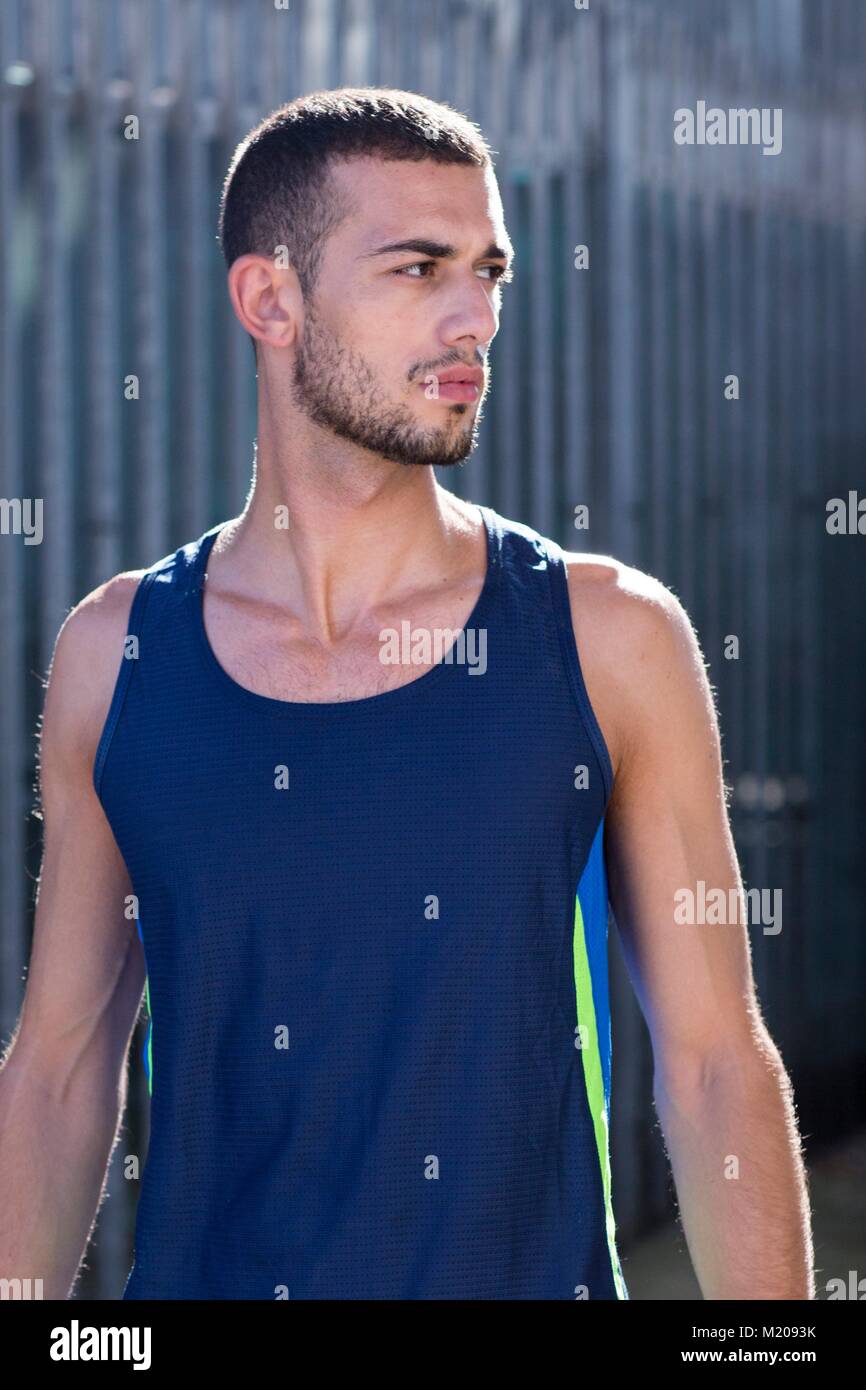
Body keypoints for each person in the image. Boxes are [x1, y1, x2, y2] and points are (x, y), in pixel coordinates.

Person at [0, 87, 813, 1300]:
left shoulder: (604, 637)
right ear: (270, 299)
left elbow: (709, 1064)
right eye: (417, 267)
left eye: (489, 270)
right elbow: (62, 1067)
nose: (472, 317)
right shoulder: (116, 654)